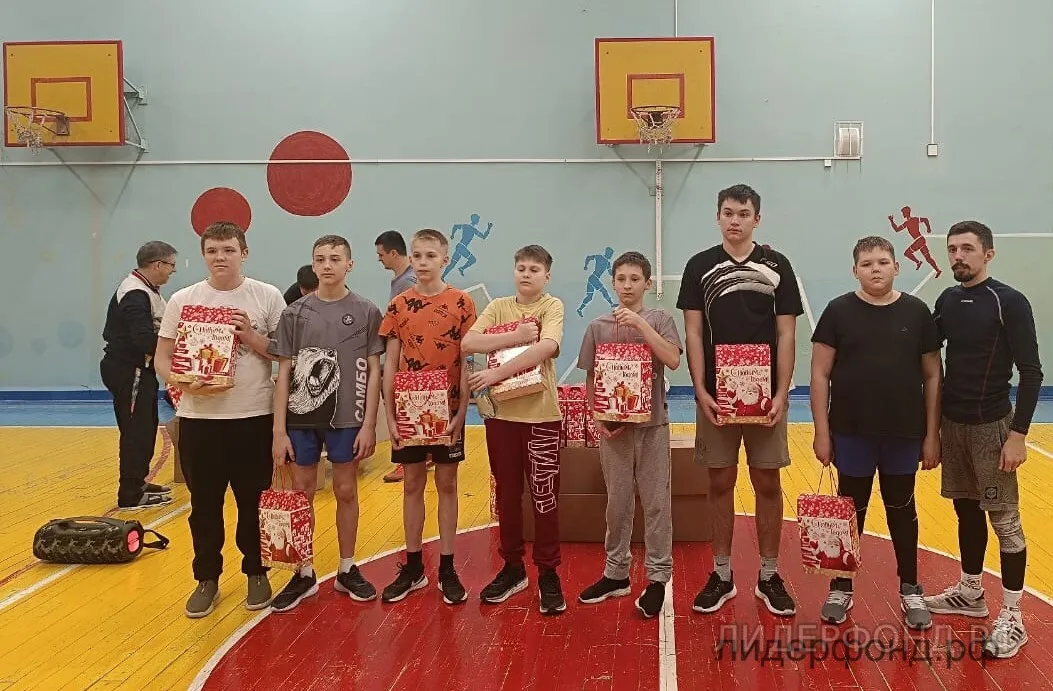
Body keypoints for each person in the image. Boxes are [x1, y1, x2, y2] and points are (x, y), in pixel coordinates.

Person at [676, 183, 803, 617]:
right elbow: (693, 332)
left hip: (766, 399)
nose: (735, 220)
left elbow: (787, 332)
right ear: (718, 216)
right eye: (728, 212)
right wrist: (700, 389)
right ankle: (722, 574)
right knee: (720, 481)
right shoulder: (700, 266)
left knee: (767, 481)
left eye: (743, 213)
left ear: (757, 219)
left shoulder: (777, 266)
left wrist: (782, 391)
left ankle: (769, 575)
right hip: (717, 397)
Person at [154, 221, 287, 619]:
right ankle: (206, 578)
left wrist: (251, 336)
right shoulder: (183, 299)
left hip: (253, 416)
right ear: (203, 255)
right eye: (212, 251)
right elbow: (162, 357)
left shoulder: (266, 295)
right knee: (204, 505)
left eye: (228, 250)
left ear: (243, 253)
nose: (220, 257)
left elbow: (284, 354)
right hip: (199, 420)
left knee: (253, 502)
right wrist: (183, 381)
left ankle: (256, 572)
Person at [924, 220, 1043, 659]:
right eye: (952, 249)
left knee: (1005, 520)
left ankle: (1013, 615)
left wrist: (1018, 435)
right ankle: (971, 592)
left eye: (967, 249)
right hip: (953, 425)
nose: (958, 256)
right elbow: (924, 351)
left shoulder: (1008, 301)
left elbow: (1031, 372)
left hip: (993, 428)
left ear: (988, 254)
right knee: (966, 511)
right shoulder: (947, 300)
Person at [809, 236, 942, 630]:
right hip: (851, 433)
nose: (876, 269)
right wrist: (821, 432)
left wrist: (932, 434)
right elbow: (819, 373)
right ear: (855, 271)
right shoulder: (838, 311)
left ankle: (911, 588)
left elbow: (933, 376)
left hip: (903, 433)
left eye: (883, 262)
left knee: (902, 509)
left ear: (896, 267)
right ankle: (841, 586)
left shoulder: (917, 312)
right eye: (867, 264)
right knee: (850, 511)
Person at [269, 235, 385, 612]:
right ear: (313, 264)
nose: (327, 265)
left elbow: (374, 371)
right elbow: (284, 373)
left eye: (335, 258)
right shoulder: (294, 314)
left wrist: (369, 425)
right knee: (301, 491)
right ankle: (303, 572)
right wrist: (279, 430)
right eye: (320, 259)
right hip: (302, 418)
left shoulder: (367, 311)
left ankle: (347, 568)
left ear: (350, 264)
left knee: (346, 489)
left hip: (347, 418)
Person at [462, 244, 567, 615]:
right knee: (507, 496)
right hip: (502, 418)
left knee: (544, 497)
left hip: (541, 418)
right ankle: (512, 568)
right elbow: (469, 342)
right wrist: (517, 335)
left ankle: (548, 572)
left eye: (534, 269)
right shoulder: (498, 307)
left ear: (546, 276)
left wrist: (495, 374)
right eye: (521, 267)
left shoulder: (552, 306)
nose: (526, 274)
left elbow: (547, 347)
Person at [575, 251, 682, 618]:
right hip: (615, 430)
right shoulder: (598, 326)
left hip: (652, 427)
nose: (627, 285)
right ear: (612, 282)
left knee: (656, 503)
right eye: (621, 278)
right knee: (617, 503)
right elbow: (591, 377)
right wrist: (597, 417)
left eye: (635, 279)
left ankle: (658, 579)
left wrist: (639, 324)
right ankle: (616, 573)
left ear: (647, 284)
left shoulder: (660, 320)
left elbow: (672, 359)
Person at [378, 229, 476, 605]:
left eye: (430, 256)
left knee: (447, 485)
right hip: (409, 412)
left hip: (447, 413)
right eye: (417, 255)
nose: (422, 262)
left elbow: (467, 361)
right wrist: (390, 416)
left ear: (445, 260)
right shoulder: (398, 305)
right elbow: (390, 363)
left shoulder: (462, 303)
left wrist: (462, 412)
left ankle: (447, 567)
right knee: (412, 485)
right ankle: (414, 566)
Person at [101, 240, 179, 509]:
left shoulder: (148, 290)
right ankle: (130, 494)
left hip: (141, 370)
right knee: (135, 431)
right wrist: (182, 352)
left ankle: (138, 481)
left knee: (146, 428)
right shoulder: (135, 293)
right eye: (171, 265)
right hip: (129, 370)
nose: (172, 271)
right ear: (157, 265)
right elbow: (144, 339)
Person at [374, 230, 421, 483]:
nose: (379, 259)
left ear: (394, 253)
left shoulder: (409, 281)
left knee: (404, 407)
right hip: (401, 353)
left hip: (407, 357)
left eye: (381, 254)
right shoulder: (401, 280)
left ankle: (406, 460)